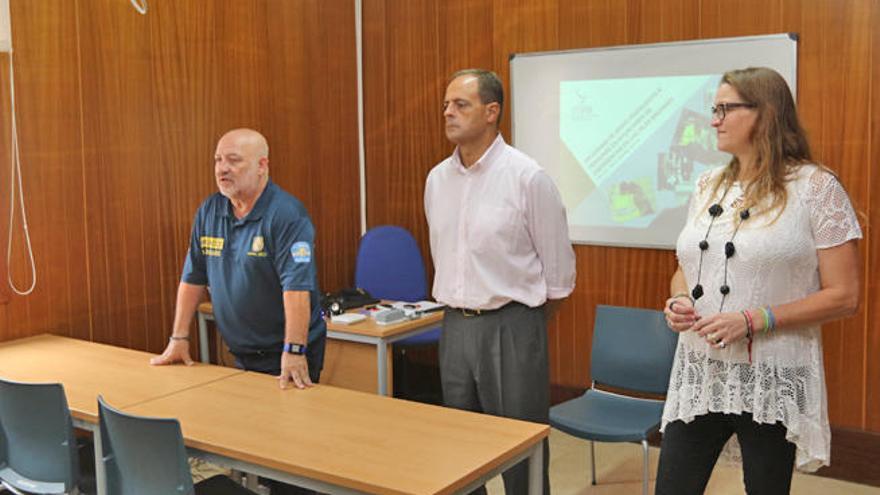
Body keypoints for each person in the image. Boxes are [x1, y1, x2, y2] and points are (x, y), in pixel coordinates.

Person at [657, 67, 861, 494]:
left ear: (765, 113)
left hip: (772, 376)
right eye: (713, 109)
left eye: (725, 109)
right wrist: (679, 298)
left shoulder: (816, 187)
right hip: (700, 371)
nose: (714, 119)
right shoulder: (706, 184)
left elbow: (844, 296)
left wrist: (754, 319)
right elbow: (687, 264)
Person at [424, 69, 576, 495]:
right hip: (454, 326)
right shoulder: (437, 179)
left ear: (492, 112)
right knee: (459, 449)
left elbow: (559, 276)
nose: (448, 112)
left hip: (512, 326)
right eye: (446, 104)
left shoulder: (527, 178)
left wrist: (521, 325)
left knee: (519, 453)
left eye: (461, 104)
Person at [151, 128, 326, 494]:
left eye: (233, 160)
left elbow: (297, 290)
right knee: (254, 445)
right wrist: (179, 338)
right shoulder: (211, 209)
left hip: (286, 350)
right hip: (242, 351)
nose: (222, 168)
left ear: (262, 166)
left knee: (289, 457)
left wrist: (294, 353)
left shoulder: (286, 214)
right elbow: (192, 277)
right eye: (218, 159)